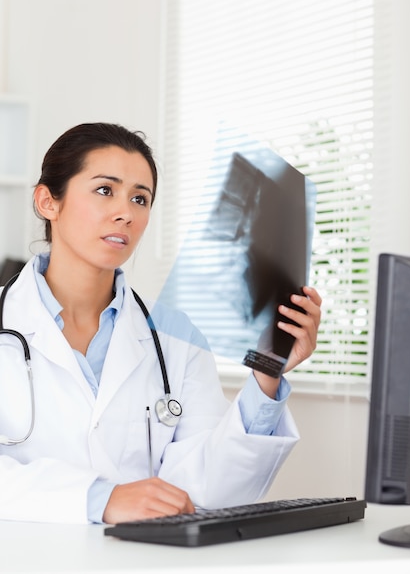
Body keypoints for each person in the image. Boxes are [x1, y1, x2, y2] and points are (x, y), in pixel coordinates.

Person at [0, 122, 321, 524]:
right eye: (105, 190)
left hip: (145, 559)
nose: (126, 213)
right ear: (49, 202)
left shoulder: (175, 335)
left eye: (140, 198)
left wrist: (267, 374)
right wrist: (100, 500)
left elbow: (209, 488)